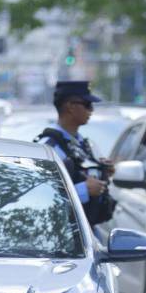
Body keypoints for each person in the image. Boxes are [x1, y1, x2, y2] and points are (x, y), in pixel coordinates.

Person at [36, 81, 116, 227]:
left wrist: (104, 172)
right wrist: (83, 190)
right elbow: (42, 197)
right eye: (87, 104)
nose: (91, 110)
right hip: (60, 234)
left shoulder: (85, 144)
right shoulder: (48, 148)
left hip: (88, 228)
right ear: (70, 107)